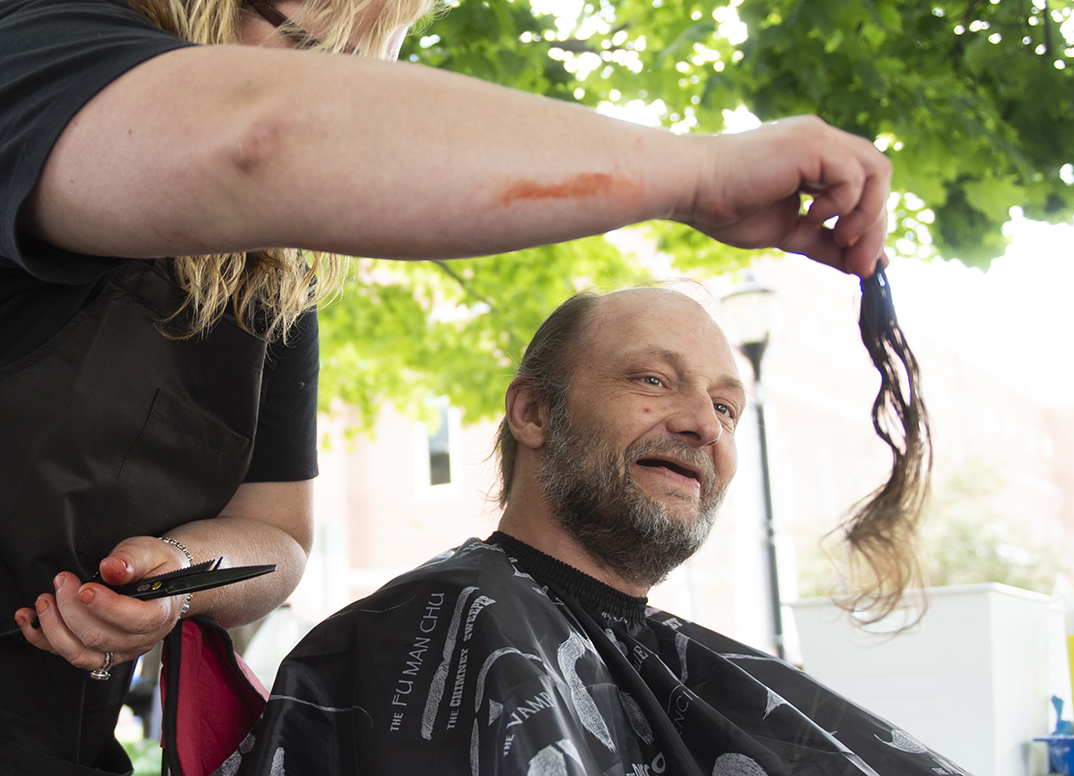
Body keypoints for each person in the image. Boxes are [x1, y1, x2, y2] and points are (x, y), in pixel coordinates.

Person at [0, 0, 892, 772]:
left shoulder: (266, 280)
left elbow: (276, 534)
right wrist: (696, 175)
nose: (702, 423)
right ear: (531, 410)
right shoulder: (40, 51)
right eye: (313, 50)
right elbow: (264, 137)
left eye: (362, 65)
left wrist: (183, 575)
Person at [223, 287, 967, 776]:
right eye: (653, 380)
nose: (703, 424)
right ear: (535, 414)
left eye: (728, 407)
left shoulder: (675, 657)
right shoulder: (439, 632)